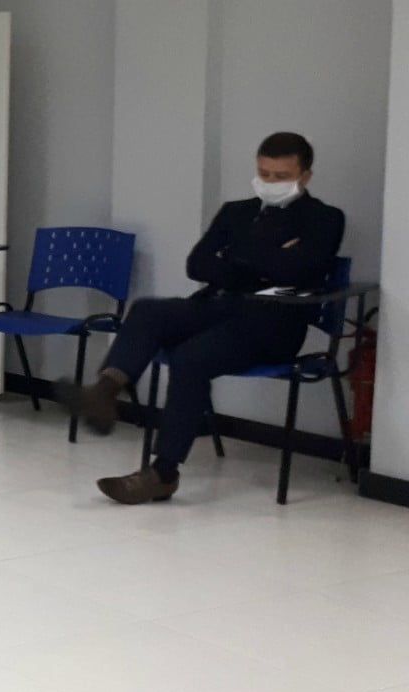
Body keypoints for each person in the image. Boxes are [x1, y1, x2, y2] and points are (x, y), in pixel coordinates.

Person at [74, 131, 345, 504]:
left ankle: (163, 474)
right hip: (219, 306)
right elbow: (197, 264)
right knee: (148, 311)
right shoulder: (236, 211)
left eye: (281, 176)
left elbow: (301, 271)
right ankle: (105, 394)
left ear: (305, 176)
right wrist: (269, 261)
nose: (270, 182)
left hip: (273, 325)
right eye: (264, 174)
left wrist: (236, 259)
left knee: (191, 358)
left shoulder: (325, 219)